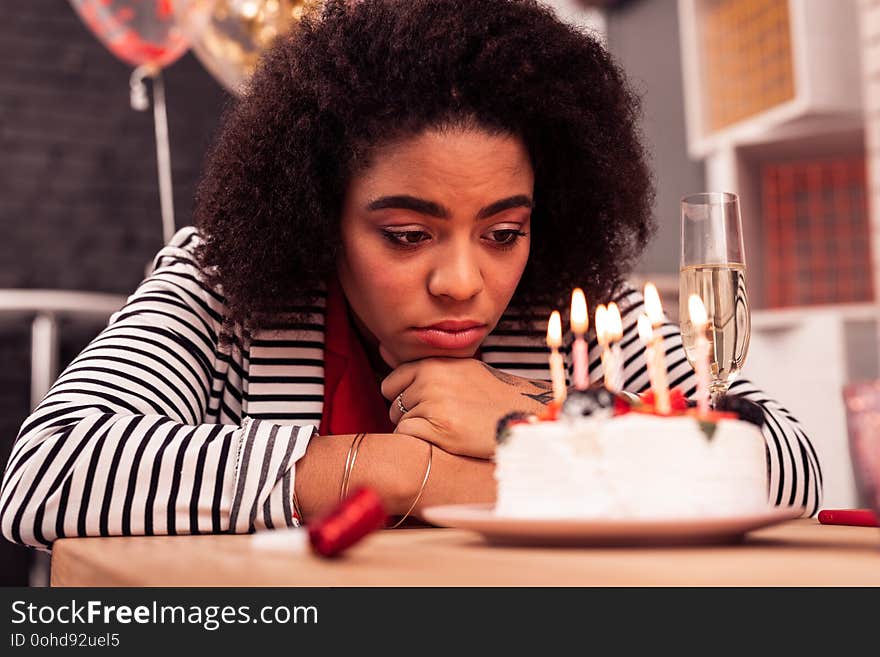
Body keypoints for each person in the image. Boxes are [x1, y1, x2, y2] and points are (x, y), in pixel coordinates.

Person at [0, 0, 820, 550]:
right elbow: (49, 473)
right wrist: (404, 471)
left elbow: (789, 463)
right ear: (322, 210)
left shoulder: (566, 308)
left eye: (504, 231)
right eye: (405, 234)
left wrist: (533, 419)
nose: (464, 280)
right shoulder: (223, 286)